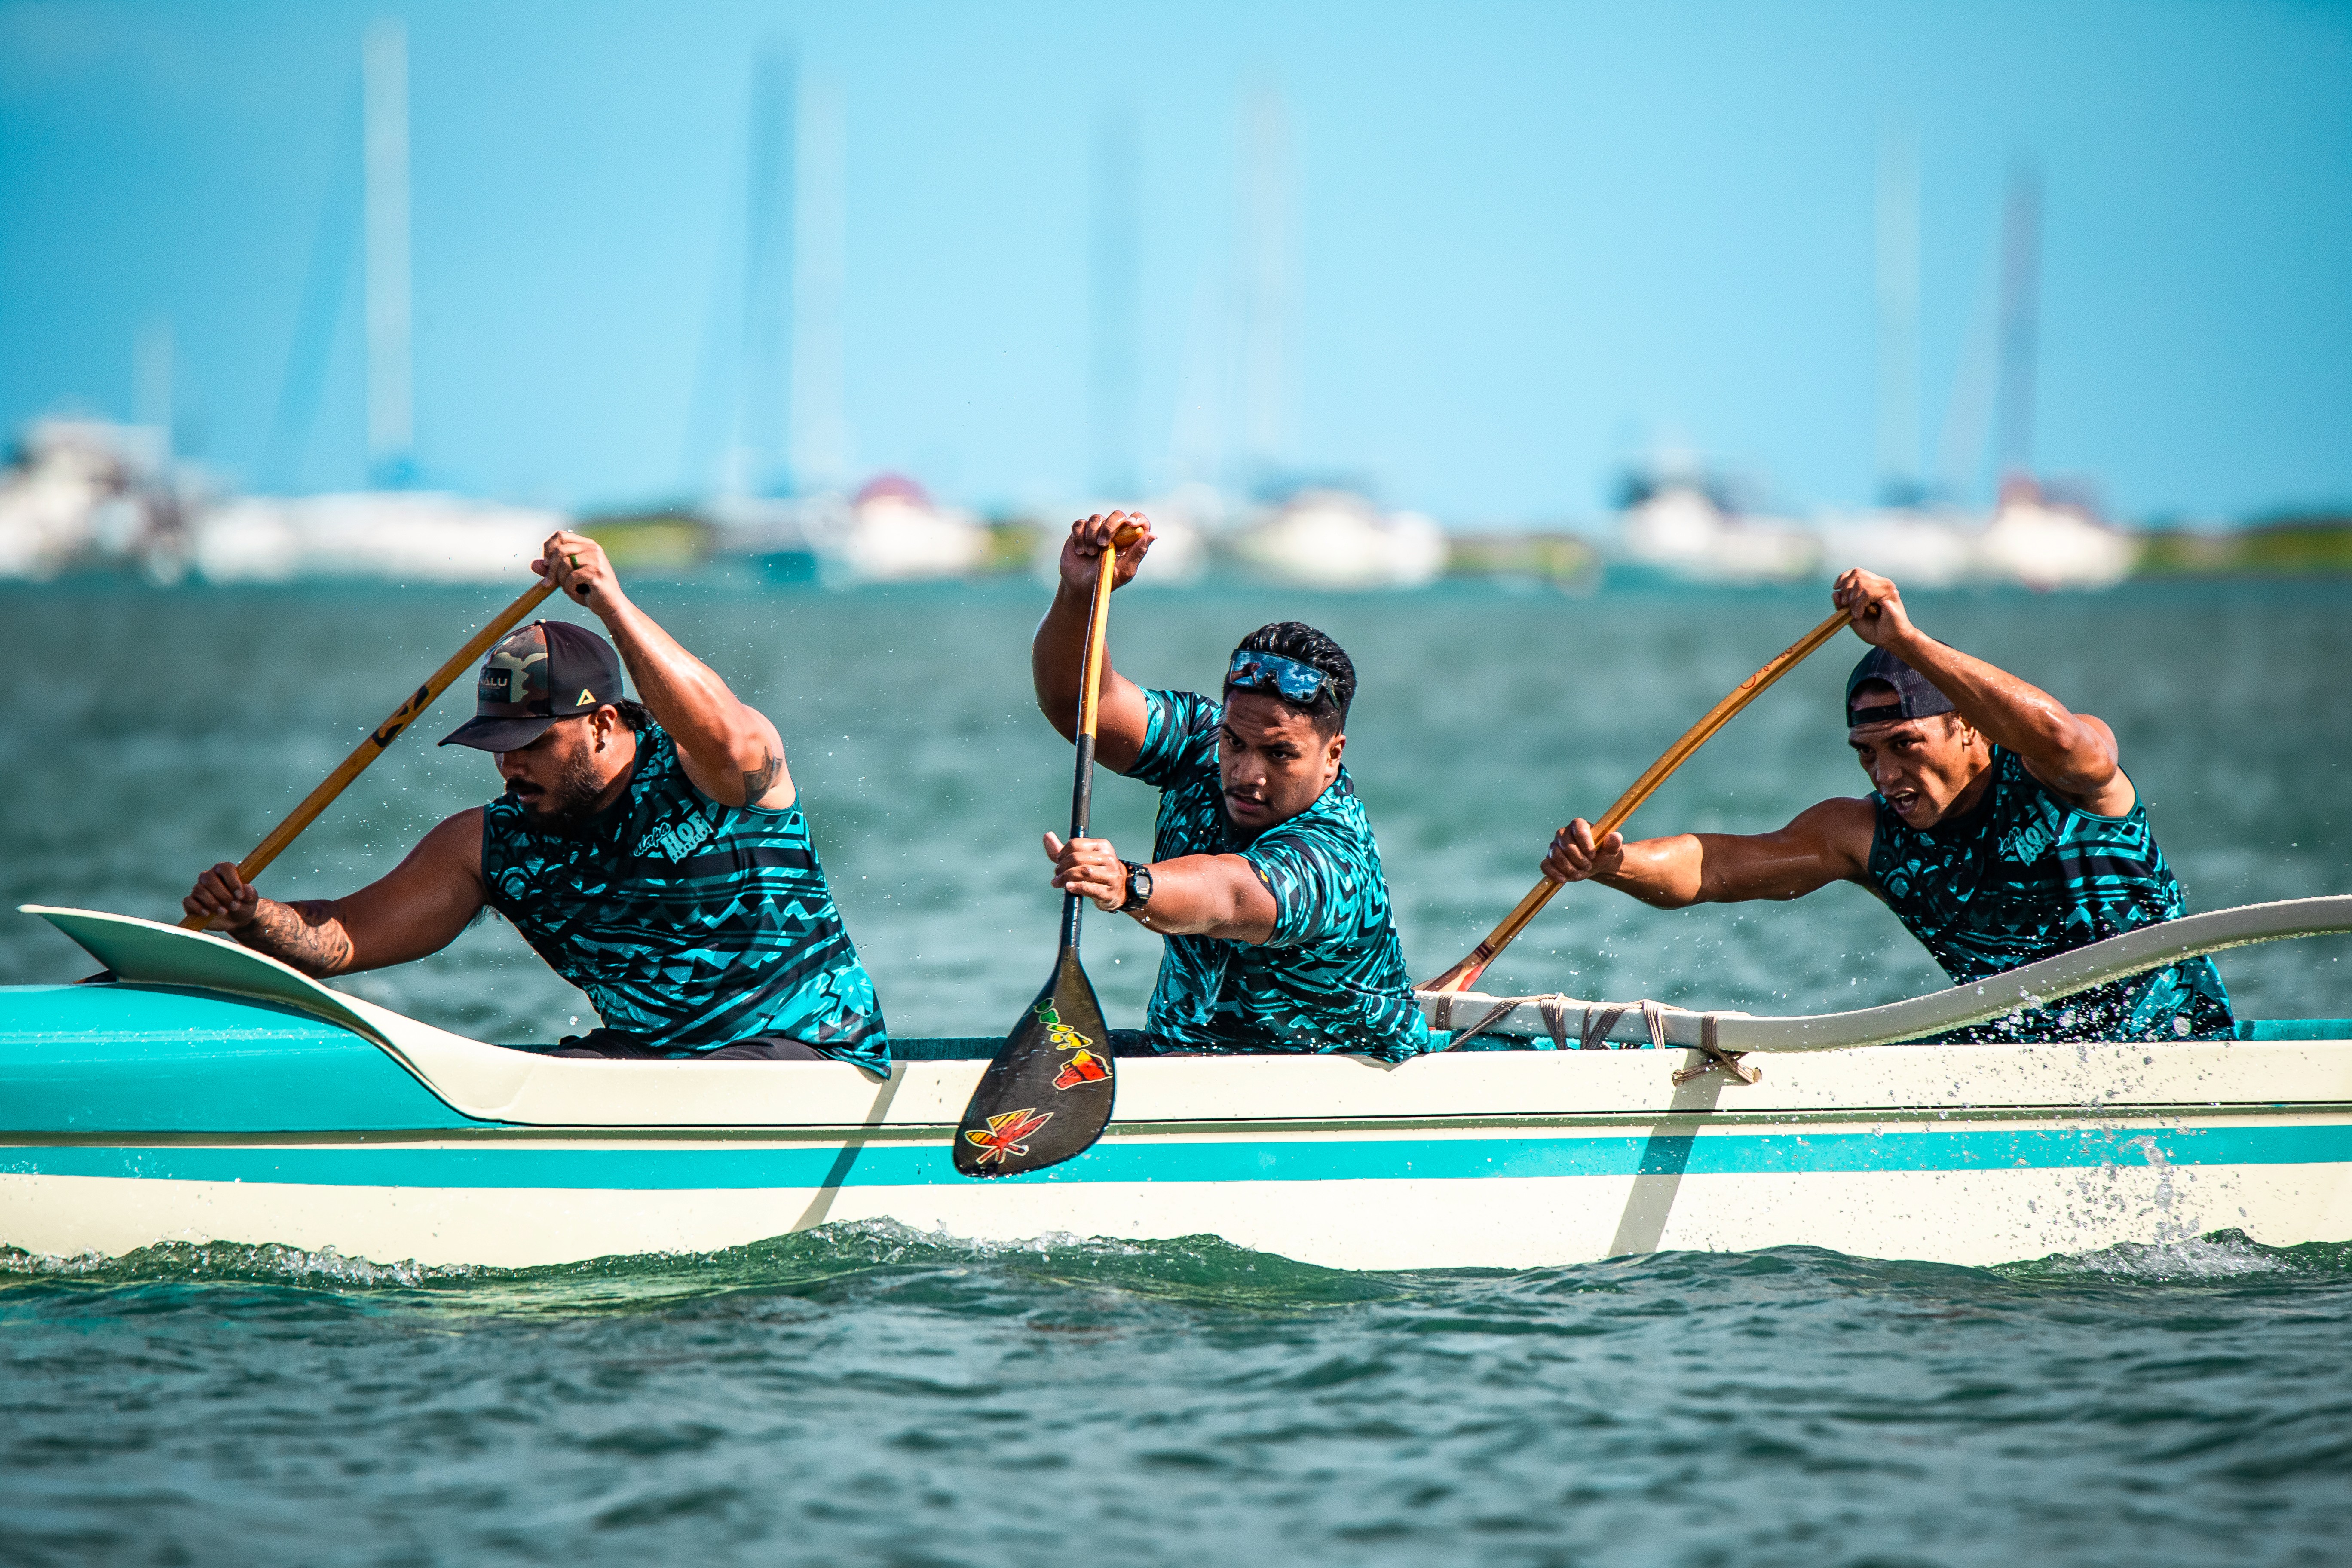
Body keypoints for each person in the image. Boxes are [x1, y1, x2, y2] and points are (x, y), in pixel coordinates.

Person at [182, 531, 889, 1068]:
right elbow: (338, 939)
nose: (508, 764)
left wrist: (609, 601)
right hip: (645, 1071)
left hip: (806, 1058)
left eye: (532, 742)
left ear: (604, 722)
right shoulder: (493, 846)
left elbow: (725, 733)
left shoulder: (712, 773)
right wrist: (250, 916)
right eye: (497, 742)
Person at [1539, 568, 2233, 1041]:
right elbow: (1717, 867)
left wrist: (1903, 639)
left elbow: (2062, 736)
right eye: (1866, 753)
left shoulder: (2066, 777)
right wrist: (1612, 862)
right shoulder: (1867, 834)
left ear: (1967, 727)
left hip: (2185, 1052)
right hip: (2021, 1073)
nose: (1886, 774)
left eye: (1904, 744)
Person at [1033, 512, 1436, 1060]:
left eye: (1280, 755)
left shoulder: (1334, 857)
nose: (1246, 773)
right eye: (1235, 744)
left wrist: (1129, 884)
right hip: (1187, 1061)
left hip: (1344, 1087)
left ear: (1332, 756)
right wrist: (1080, 596)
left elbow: (1228, 895)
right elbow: (1080, 705)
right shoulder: (1203, 742)